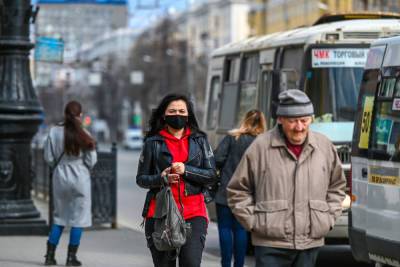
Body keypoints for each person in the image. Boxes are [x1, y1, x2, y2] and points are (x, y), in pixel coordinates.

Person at [227, 89, 346, 267]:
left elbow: (337, 187)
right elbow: (237, 190)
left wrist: (327, 219)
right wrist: (254, 223)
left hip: (309, 243)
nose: (299, 127)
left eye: (304, 120)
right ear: (280, 119)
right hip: (270, 244)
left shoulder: (324, 146)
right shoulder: (260, 147)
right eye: (292, 121)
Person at [136, 93, 217, 267]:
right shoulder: (153, 142)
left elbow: (211, 175)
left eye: (182, 111)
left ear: (188, 115)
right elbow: (141, 179)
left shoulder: (200, 140)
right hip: (160, 213)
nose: (178, 115)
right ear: (164, 115)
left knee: (191, 263)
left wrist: (186, 170)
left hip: (193, 212)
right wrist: (161, 178)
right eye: (172, 111)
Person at [43, 100, 97, 266]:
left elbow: (48, 158)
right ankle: (71, 258)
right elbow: (92, 160)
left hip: (60, 177)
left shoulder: (53, 132)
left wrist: (58, 167)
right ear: (80, 115)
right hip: (80, 177)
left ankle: (50, 256)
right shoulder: (85, 134)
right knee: (78, 219)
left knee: (59, 217)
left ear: (65, 114)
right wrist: (82, 167)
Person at [214, 109, 267, 267]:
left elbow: (217, 159)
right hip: (248, 194)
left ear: (245, 120)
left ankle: (225, 264)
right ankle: (239, 264)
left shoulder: (233, 137)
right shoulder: (262, 142)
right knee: (241, 230)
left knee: (224, 228)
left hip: (225, 190)